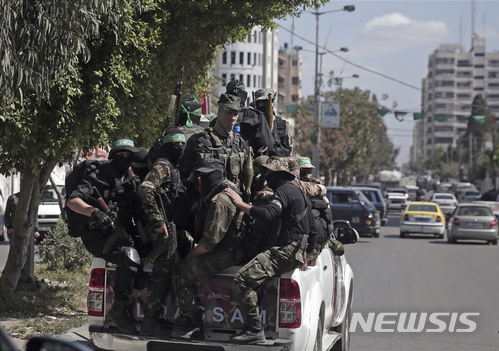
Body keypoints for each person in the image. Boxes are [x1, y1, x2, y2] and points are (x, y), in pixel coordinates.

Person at [224, 158, 318, 344]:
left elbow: (268, 214)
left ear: (281, 174)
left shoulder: (284, 191)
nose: (266, 176)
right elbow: (313, 229)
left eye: (269, 172)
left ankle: (254, 330)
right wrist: (306, 256)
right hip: (295, 251)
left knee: (242, 279)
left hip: (285, 251)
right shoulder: (299, 191)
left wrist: (240, 203)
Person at [66, 137, 142, 333]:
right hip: (97, 236)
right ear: (112, 156)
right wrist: (95, 212)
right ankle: (118, 309)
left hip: (122, 235)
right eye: (120, 154)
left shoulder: (132, 181)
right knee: (129, 256)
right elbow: (73, 201)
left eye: (128, 155)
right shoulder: (97, 175)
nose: (125, 158)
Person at [173, 158, 244, 340]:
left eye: (205, 175)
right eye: (200, 175)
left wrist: (189, 257)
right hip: (225, 248)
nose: (200, 179)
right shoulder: (222, 189)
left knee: (184, 271)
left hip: (225, 253)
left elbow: (208, 243)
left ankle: (192, 323)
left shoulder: (219, 200)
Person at [136, 128, 186, 337]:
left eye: (183, 144)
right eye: (176, 144)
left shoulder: (175, 167)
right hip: (162, 229)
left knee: (169, 273)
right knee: (161, 274)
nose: (180, 148)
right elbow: (145, 189)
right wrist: (157, 221)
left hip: (171, 227)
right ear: (166, 146)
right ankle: (150, 321)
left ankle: (159, 318)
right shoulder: (163, 165)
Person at [178, 93, 248, 191]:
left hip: (236, 198)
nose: (232, 118)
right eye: (228, 113)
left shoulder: (240, 142)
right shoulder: (201, 140)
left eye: (235, 114)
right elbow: (184, 175)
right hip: (208, 199)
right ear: (219, 113)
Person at [253, 88, 293, 157]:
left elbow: (289, 150)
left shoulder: (283, 125)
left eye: (267, 102)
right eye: (262, 103)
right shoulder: (251, 124)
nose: (264, 105)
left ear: (272, 103)